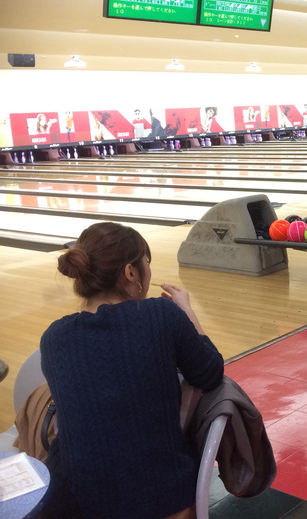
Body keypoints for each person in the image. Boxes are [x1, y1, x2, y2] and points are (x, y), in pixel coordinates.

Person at [39, 222, 224, 518]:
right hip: (161, 501)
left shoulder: (53, 337)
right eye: (146, 262)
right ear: (130, 273)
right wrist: (188, 313)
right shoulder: (161, 314)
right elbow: (211, 373)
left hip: (75, 505)